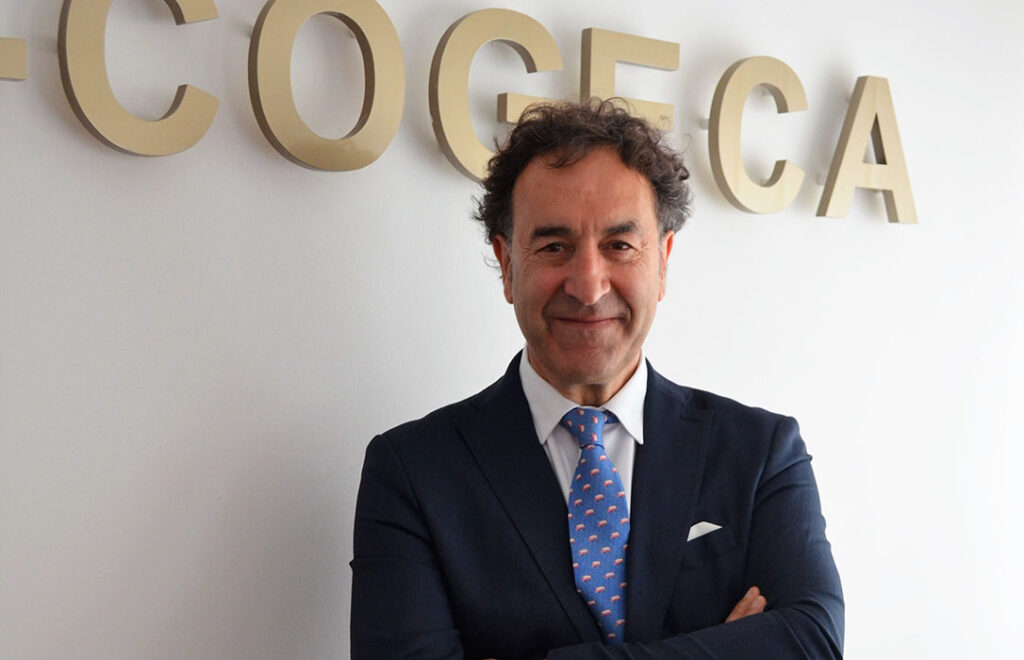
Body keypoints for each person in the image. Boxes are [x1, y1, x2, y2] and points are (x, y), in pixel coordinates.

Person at [351, 100, 843, 659]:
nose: (588, 286)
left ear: (663, 261)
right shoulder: (413, 472)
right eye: (554, 246)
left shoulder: (762, 452)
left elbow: (813, 641)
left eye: (619, 246)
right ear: (507, 265)